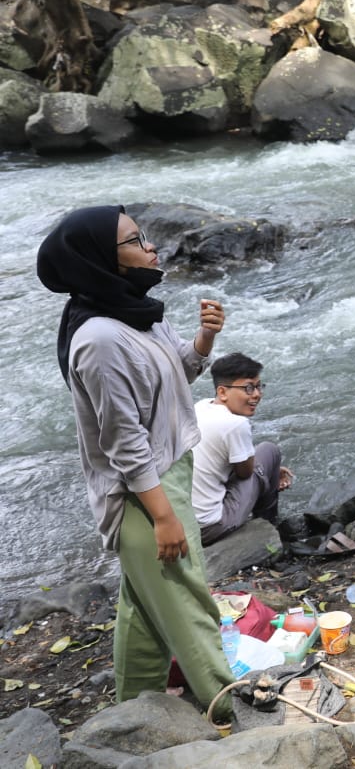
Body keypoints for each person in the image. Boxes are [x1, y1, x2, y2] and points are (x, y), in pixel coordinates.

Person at [36, 206, 235, 721]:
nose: (150, 247)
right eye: (134, 240)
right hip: (142, 491)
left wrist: (204, 340)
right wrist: (164, 515)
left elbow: (177, 379)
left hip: (171, 468)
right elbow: (123, 442)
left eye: (144, 236)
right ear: (102, 259)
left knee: (143, 611)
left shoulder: (140, 310)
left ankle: (131, 717)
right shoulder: (100, 340)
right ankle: (229, 711)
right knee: (191, 606)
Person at [192, 352, 293, 546]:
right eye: (248, 388)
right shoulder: (235, 424)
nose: (256, 394)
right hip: (211, 527)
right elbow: (246, 472)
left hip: (184, 525)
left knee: (261, 460)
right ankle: (269, 530)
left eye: (258, 386)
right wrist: (271, 470)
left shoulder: (200, 407)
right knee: (269, 451)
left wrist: (269, 471)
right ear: (222, 392)